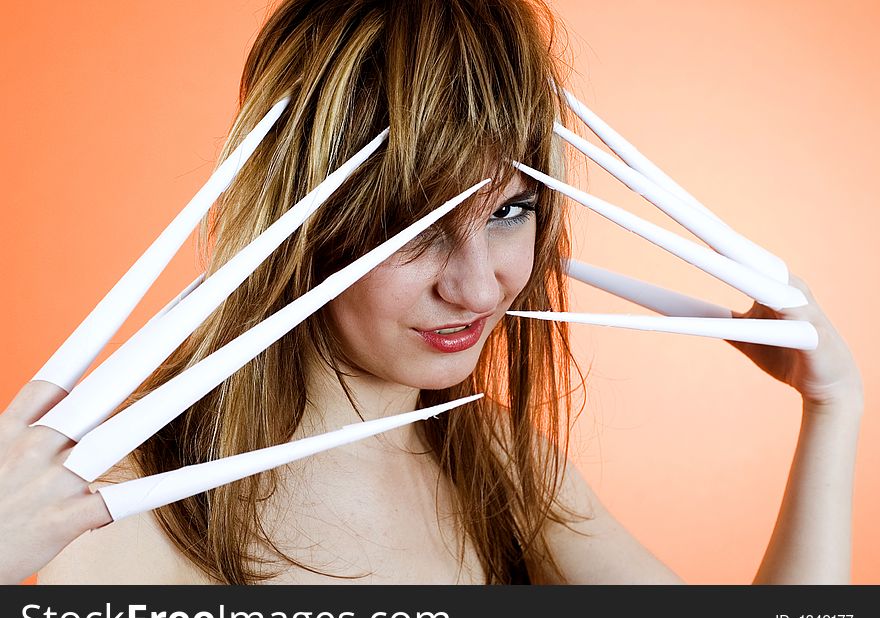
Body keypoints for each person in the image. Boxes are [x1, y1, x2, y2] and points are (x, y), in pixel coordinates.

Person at [0, 0, 863, 585]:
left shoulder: (498, 465)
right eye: (417, 226)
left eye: (511, 211)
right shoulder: (126, 498)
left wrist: (832, 411)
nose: (480, 283)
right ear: (300, 217)